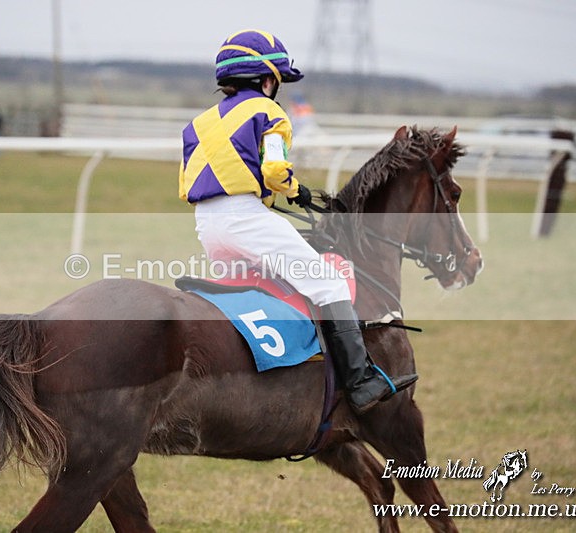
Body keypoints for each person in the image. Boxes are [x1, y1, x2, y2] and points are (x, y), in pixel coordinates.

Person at [178, 29, 417, 414]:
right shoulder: (269, 111)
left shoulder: (198, 123)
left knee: (259, 288)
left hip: (207, 223)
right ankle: (360, 382)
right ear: (267, 80)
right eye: (277, 81)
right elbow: (274, 169)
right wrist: (295, 190)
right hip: (245, 218)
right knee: (328, 282)